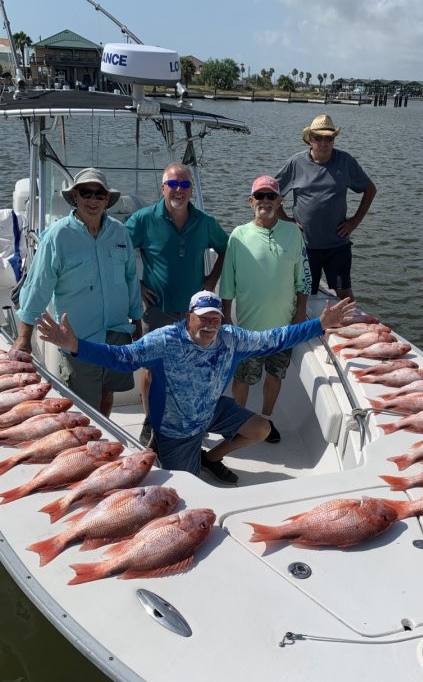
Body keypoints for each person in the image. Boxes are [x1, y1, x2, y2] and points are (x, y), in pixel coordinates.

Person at [35, 290, 356, 485]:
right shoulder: (166, 340)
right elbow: (122, 357)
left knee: (260, 429)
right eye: (203, 318)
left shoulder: (232, 337)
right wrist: (75, 345)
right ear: (189, 317)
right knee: (183, 488)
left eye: (215, 318)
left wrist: (319, 325)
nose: (210, 324)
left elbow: (276, 339)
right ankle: (162, 443)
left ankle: (211, 458)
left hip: (212, 410)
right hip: (177, 429)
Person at [13, 168, 143, 416]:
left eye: (99, 195)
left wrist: (137, 321)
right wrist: (23, 337)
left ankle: (103, 448)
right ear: (75, 196)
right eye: (86, 193)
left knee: (107, 394)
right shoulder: (57, 235)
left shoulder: (120, 233)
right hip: (77, 339)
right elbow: (38, 286)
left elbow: (130, 280)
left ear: (107, 199)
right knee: (81, 411)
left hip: (117, 334)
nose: (92, 200)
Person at [125, 161, 229, 445]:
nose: (179, 190)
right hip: (156, 309)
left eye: (184, 185)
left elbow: (226, 248)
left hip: (193, 314)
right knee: (152, 368)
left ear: (191, 189)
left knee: (194, 367)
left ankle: (192, 419)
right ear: (163, 188)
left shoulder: (205, 222)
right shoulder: (144, 219)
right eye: (173, 184)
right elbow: (118, 249)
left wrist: (211, 280)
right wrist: (138, 283)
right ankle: (151, 422)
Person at [220, 175, 311, 443]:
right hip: (248, 330)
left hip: (283, 327)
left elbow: (303, 278)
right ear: (251, 202)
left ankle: (267, 419)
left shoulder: (293, 233)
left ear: (279, 201)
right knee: (243, 378)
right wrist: (226, 317)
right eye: (259, 196)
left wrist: (300, 312)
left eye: (271, 196)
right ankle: (238, 421)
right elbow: (228, 282)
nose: (265, 201)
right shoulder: (238, 235)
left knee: (275, 375)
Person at [275, 113, 377, 299]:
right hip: (305, 245)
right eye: (318, 138)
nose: (323, 143)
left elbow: (370, 190)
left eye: (329, 138)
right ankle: (305, 326)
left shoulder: (345, 161)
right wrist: (286, 221)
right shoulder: (295, 163)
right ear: (310, 140)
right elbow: (273, 194)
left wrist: (354, 222)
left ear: (334, 139)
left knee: (344, 292)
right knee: (303, 293)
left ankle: (351, 324)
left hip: (338, 244)